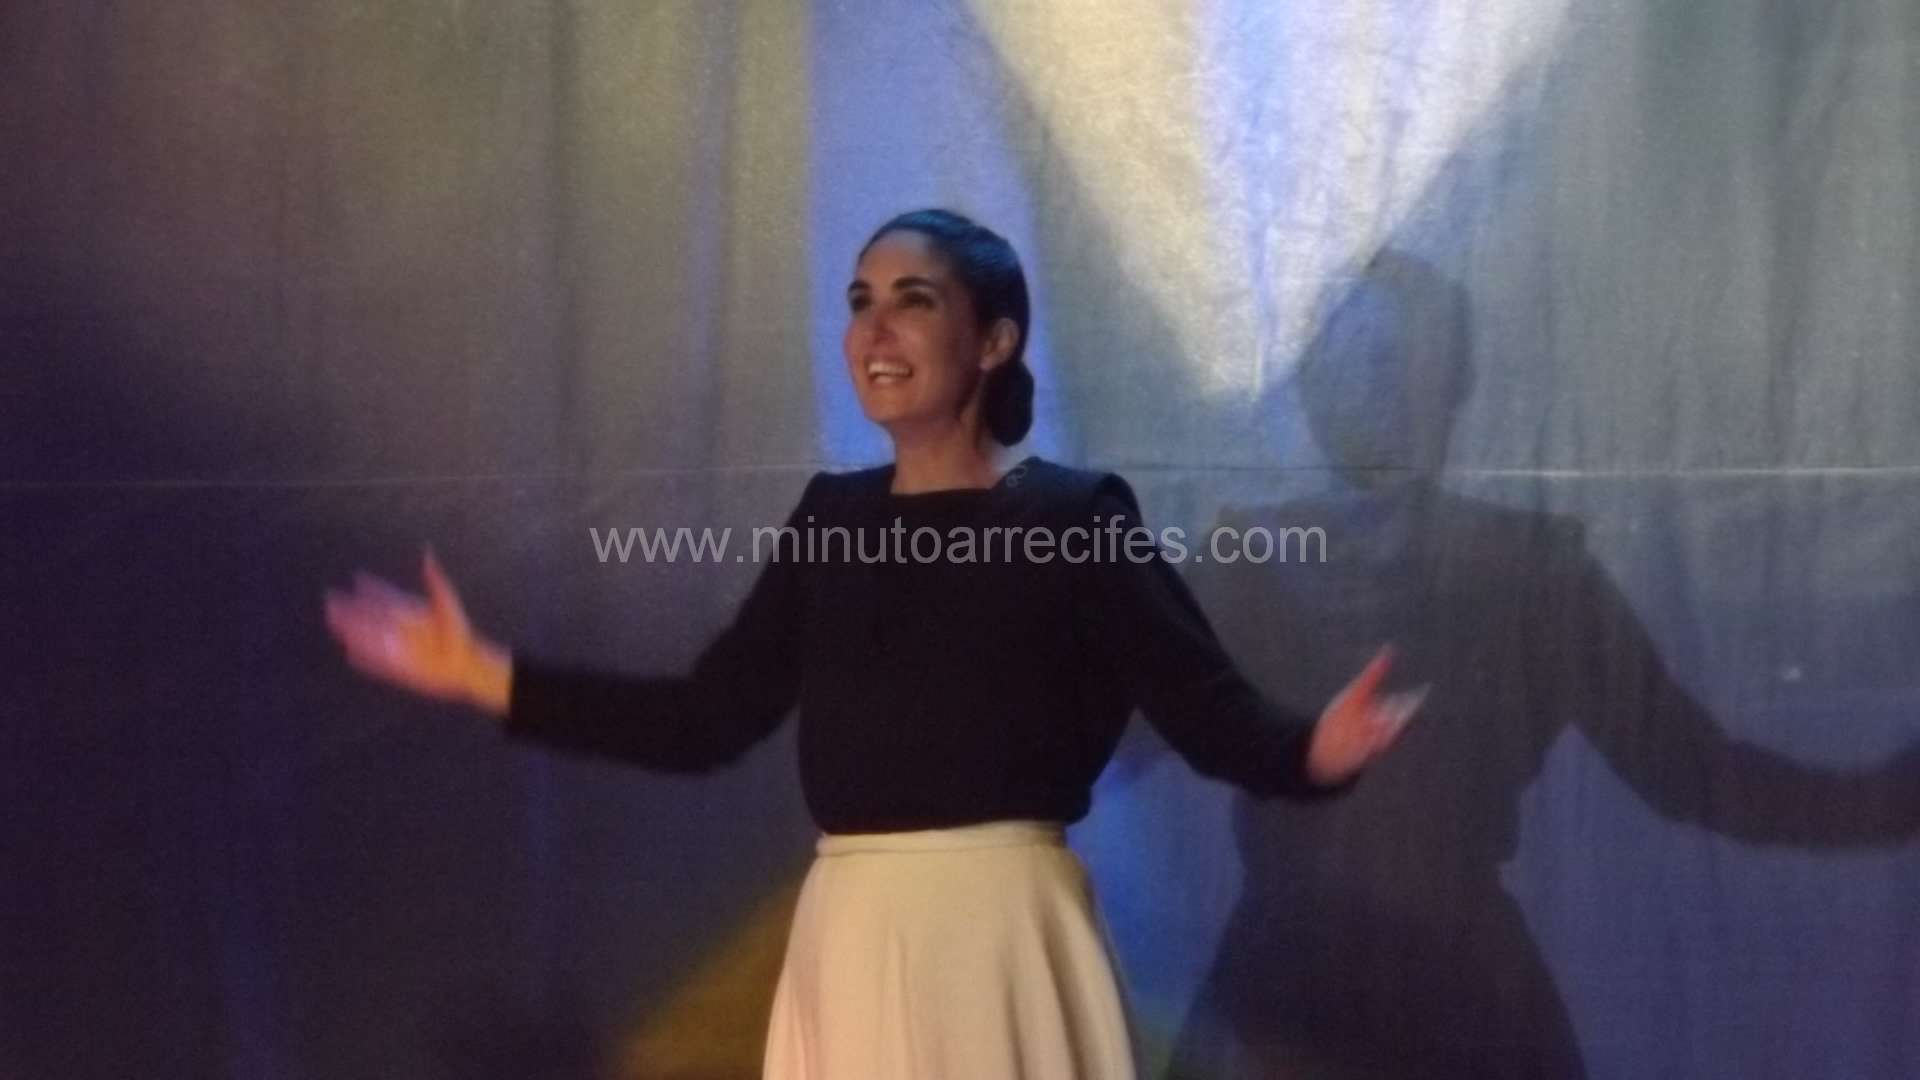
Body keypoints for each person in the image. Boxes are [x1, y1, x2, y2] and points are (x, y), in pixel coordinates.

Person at [323, 208, 1424, 1078]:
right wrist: (486, 675)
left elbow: (1206, 707)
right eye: (860, 302)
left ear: (993, 340)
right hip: (852, 937)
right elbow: (706, 718)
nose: (874, 331)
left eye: (912, 300)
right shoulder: (831, 522)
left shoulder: (1075, 518)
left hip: (1004, 935)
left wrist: (1308, 752)